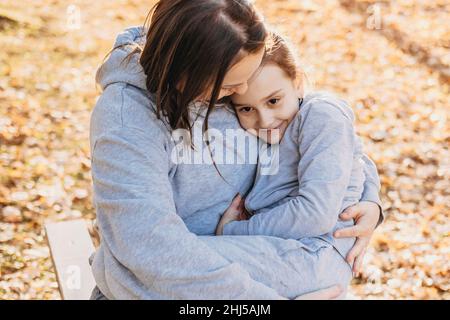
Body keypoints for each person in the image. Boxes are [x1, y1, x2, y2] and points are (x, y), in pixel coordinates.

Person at [89, 0, 383, 300]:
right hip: (192, 287)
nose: (245, 90)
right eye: (231, 89)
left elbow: (324, 138)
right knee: (121, 274)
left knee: (117, 271)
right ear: (192, 72)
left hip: (280, 261)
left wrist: (369, 201)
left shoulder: (239, 52)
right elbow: (149, 247)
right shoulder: (128, 120)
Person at [214, 32, 372, 298]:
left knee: (178, 259)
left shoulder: (321, 114)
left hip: (314, 253)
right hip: (291, 252)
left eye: (273, 101)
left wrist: (233, 232)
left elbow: (316, 212)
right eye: (245, 109)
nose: (264, 120)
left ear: (298, 83)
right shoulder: (277, 129)